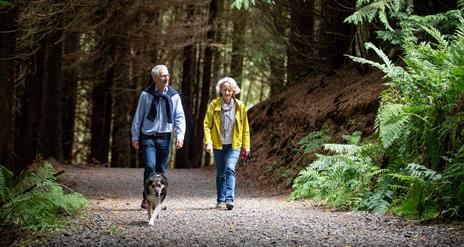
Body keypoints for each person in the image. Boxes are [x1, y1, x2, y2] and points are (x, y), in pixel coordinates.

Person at [131, 64, 186, 209]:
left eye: (167, 75)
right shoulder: (146, 95)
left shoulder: (173, 96)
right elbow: (139, 117)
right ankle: (146, 198)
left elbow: (179, 117)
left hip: (165, 137)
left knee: (161, 170)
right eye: (163, 75)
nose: (167, 77)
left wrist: (180, 136)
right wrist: (135, 137)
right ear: (155, 79)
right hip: (148, 136)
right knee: (150, 166)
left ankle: (158, 200)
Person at [203, 77, 251, 210]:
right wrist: (208, 142)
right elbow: (207, 124)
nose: (227, 93)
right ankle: (220, 200)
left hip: (234, 145)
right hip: (218, 144)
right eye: (225, 90)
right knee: (220, 173)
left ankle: (229, 199)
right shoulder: (214, 105)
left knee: (230, 168)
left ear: (234, 91)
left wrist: (246, 146)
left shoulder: (240, 106)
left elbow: (245, 128)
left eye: (230, 90)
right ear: (221, 91)